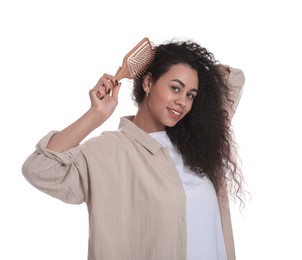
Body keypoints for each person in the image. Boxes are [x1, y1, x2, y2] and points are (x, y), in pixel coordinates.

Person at [22, 38, 245, 260]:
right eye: (175, 88)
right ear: (148, 83)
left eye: (190, 95)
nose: (183, 102)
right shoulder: (110, 151)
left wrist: (185, 61)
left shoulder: (197, 141)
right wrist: (96, 115)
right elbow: (39, 167)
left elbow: (233, 79)